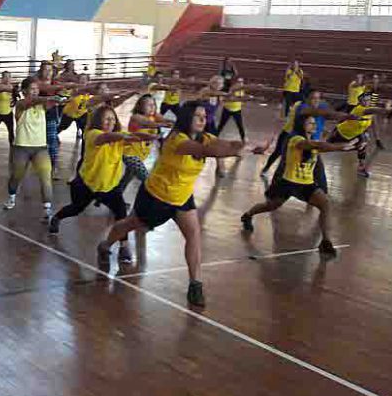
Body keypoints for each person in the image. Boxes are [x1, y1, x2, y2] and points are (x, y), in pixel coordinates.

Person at [98, 102, 245, 307]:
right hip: (156, 195)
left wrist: (241, 146)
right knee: (131, 224)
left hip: (182, 197)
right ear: (187, 118)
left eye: (205, 116)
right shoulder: (177, 140)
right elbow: (204, 150)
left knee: (193, 234)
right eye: (198, 116)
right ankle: (105, 246)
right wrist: (228, 151)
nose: (203, 120)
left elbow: (221, 144)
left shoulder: (206, 137)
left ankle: (195, 284)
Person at [241, 116, 359, 255]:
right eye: (310, 123)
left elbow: (323, 147)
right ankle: (248, 215)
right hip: (288, 183)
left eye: (314, 123)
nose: (313, 125)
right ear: (301, 125)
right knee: (271, 206)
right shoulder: (296, 140)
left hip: (306, 184)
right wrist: (344, 145)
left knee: (325, 204)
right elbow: (318, 146)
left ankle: (325, 242)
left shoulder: (312, 141)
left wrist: (348, 148)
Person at [48, 106, 156, 236]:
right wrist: (128, 135)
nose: (111, 122)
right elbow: (107, 137)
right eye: (107, 119)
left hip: (109, 186)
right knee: (76, 209)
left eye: (113, 119)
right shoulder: (93, 134)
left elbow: (132, 137)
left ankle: (123, 246)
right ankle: (56, 218)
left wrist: (152, 137)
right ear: (98, 121)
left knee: (121, 214)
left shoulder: (119, 139)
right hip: (87, 184)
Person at [3, 77, 57, 221]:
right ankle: (12, 196)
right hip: (22, 147)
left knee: (46, 177)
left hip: (40, 148)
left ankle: (47, 208)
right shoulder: (20, 105)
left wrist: (60, 98)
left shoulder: (42, 105)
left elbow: (50, 102)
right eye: (32, 89)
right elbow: (34, 101)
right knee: (17, 176)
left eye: (37, 89)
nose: (35, 91)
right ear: (25, 91)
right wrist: (50, 97)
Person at [326, 91, 389, 178]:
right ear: (360, 102)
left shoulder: (371, 113)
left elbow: (374, 125)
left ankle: (361, 168)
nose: (367, 102)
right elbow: (374, 110)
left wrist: (377, 139)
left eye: (369, 100)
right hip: (342, 132)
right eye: (365, 100)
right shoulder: (360, 109)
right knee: (328, 147)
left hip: (356, 134)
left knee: (363, 144)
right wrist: (385, 109)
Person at [215, 77, 252, 142]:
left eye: (241, 82)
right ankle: (214, 137)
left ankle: (243, 139)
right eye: (239, 82)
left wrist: (245, 99)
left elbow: (242, 99)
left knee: (240, 126)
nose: (240, 84)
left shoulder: (241, 91)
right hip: (227, 109)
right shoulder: (231, 89)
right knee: (221, 125)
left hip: (237, 110)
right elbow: (230, 98)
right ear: (235, 83)